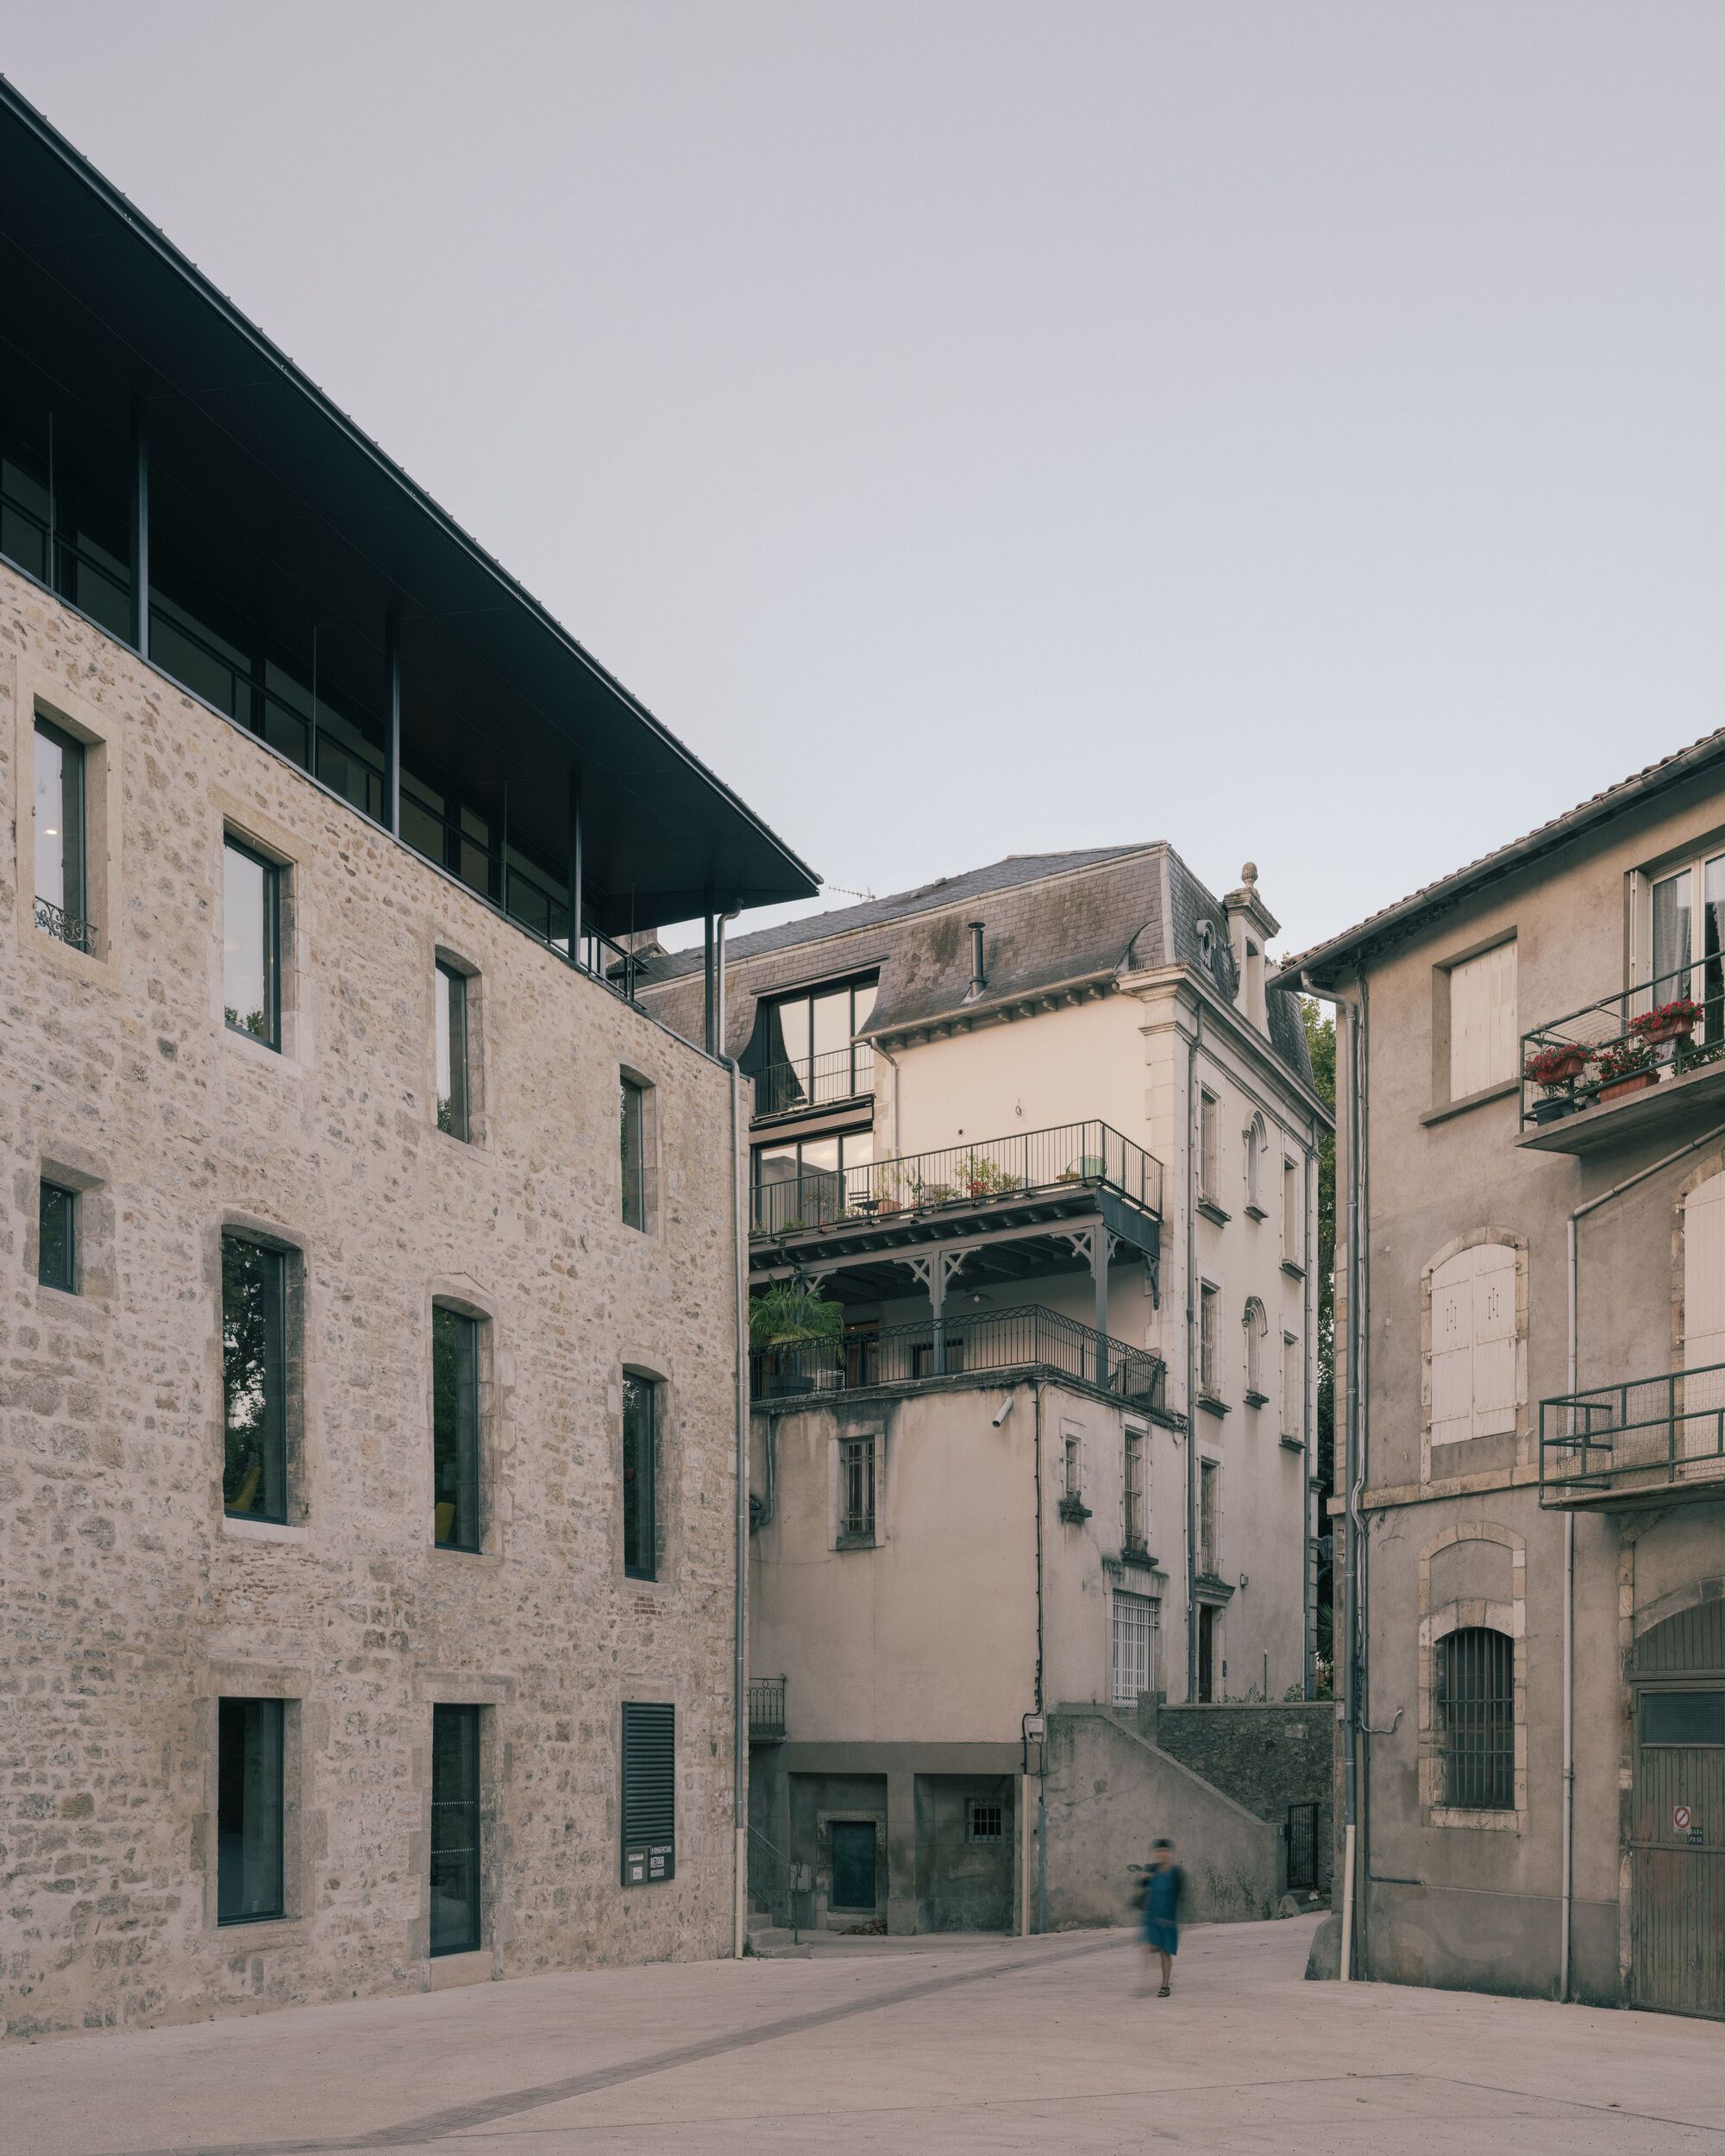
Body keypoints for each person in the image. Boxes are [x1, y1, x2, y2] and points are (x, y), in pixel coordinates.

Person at [1139, 1837, 1183, 1996]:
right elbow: (1142, 1886)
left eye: (1165, 1851)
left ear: (1169, 1853)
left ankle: (1165, 1985)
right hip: (1152, 1916)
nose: (1163, 1854)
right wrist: (1143, 1879)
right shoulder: (1152, 1869)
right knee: (1149, 1948)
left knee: (1165, 1952)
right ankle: (1146, 1980)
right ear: (1157, 1853)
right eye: (1160, 1851)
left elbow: (1180, 1894)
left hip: (1168, 1918)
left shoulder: (1176, 1872)